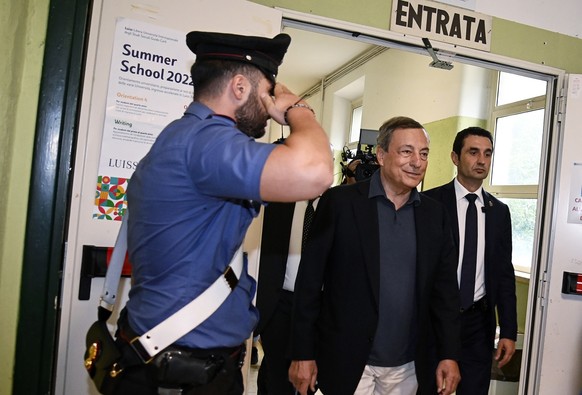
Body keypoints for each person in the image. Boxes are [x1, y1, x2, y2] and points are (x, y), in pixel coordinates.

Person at [110, 31, 333, 395]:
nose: (269, 109)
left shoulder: (184, 136)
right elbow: (317, 173)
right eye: (267, 94)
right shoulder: (208, 143)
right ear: (240, 88)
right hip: (181, 373)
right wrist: (298, 109)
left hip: (179, 360)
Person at [288, 116, 462, 395]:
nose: (417, 162)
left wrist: (449, 354)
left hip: (409, 367)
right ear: (381, 156)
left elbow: (445, 293)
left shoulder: (435, 215)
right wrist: (303, 353)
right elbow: (309, 283)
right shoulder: (340, 203)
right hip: (349, 363)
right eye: (406, 151)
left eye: (424, 153)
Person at [423, 126, 517, 395]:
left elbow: (504, 274)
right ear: (455, 157)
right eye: (473, 152)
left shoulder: (499, 212)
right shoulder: (429, 203)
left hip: (478, 323)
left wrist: (508, 330)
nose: (482, 160)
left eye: (487, 154)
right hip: (435, 320)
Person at [254, 198, 319, 394]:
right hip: (278, 303)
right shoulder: (276, 203)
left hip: (317, 306)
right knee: (277, 376)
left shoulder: (334, 206)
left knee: (309, 379)